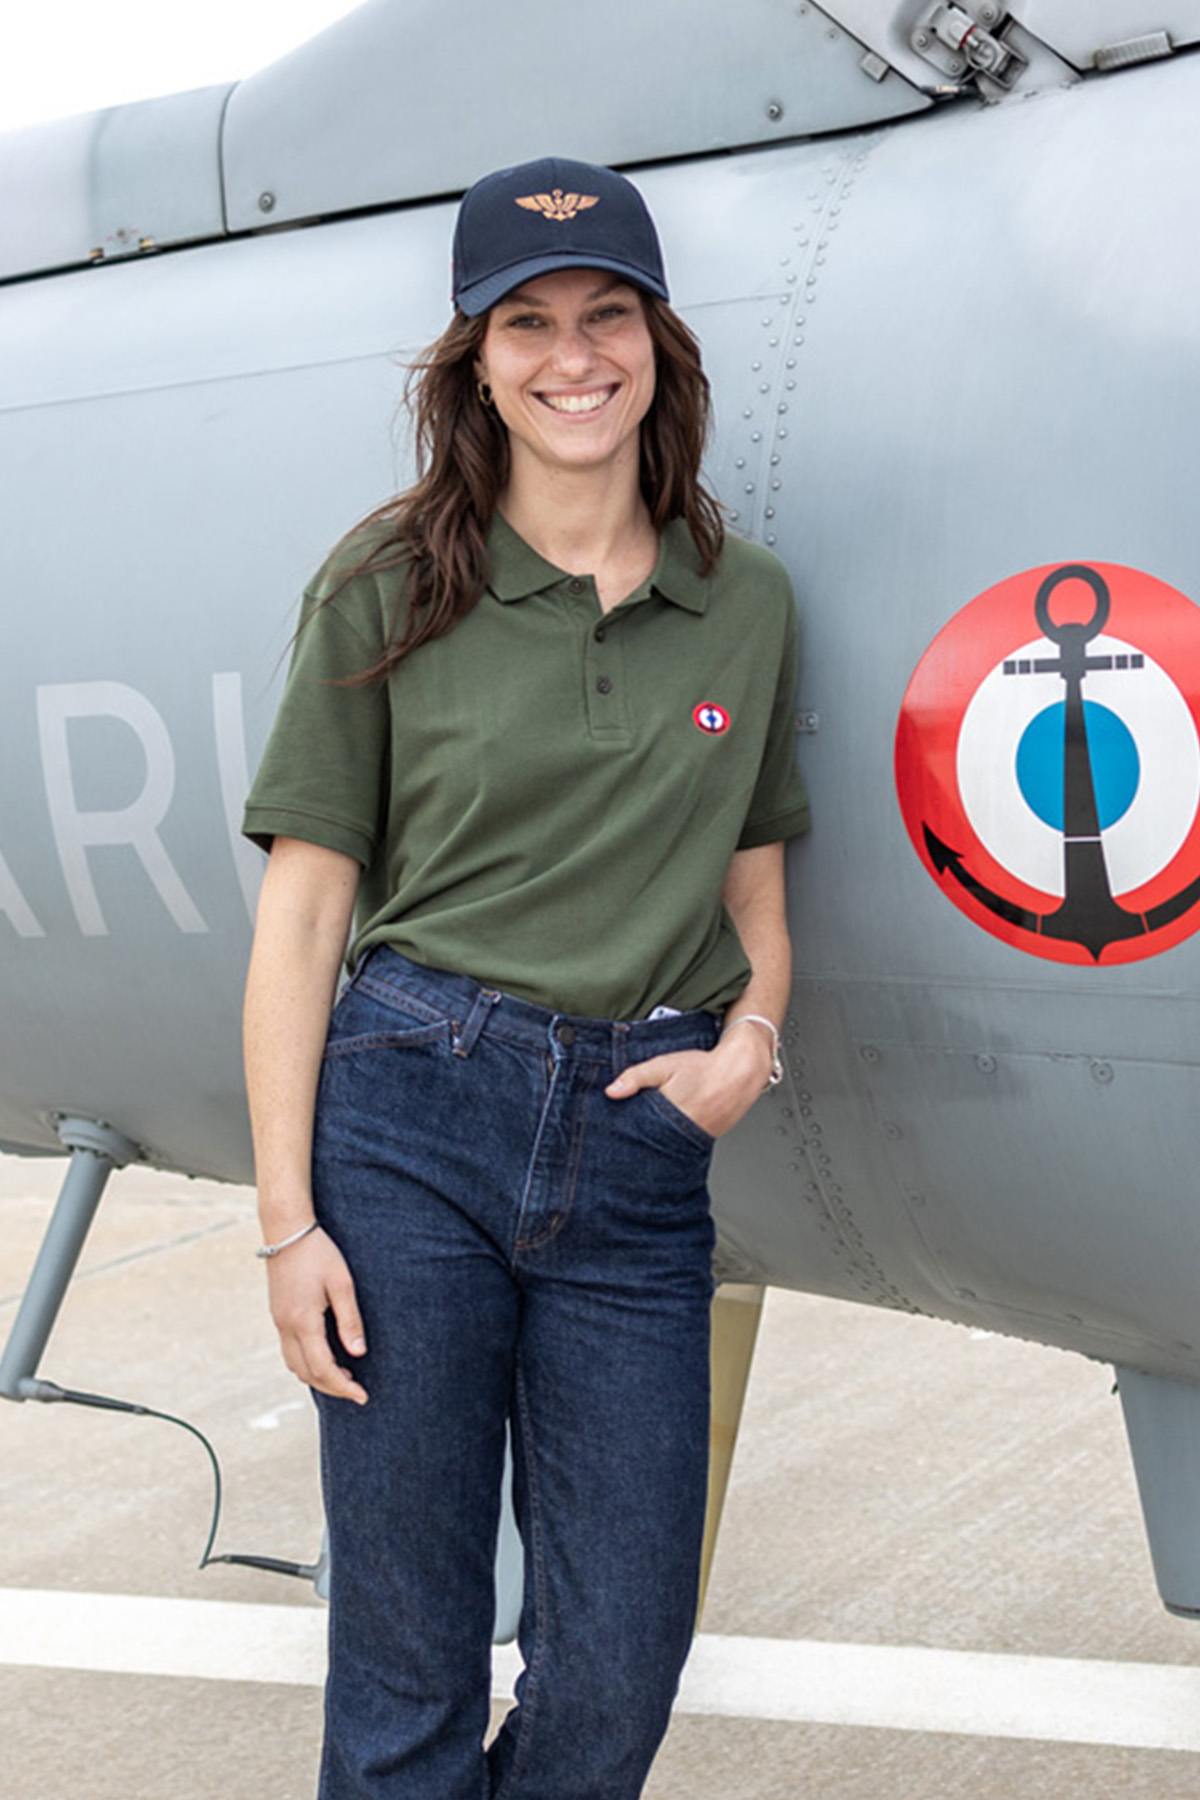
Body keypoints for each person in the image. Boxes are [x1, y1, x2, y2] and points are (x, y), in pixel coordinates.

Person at [239, 153, 810, 1800]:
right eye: (531, 322)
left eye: (606, 315)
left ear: (657, 342)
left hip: (640, 1143)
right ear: (477, 361)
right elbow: (298, 926)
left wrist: (751, 1037)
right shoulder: (389, 583)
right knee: (408, 1661)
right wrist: (290, 1226)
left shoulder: (744, 601)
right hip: (415, 1114)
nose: (575, 356)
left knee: (623, 1658)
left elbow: (758, 874)